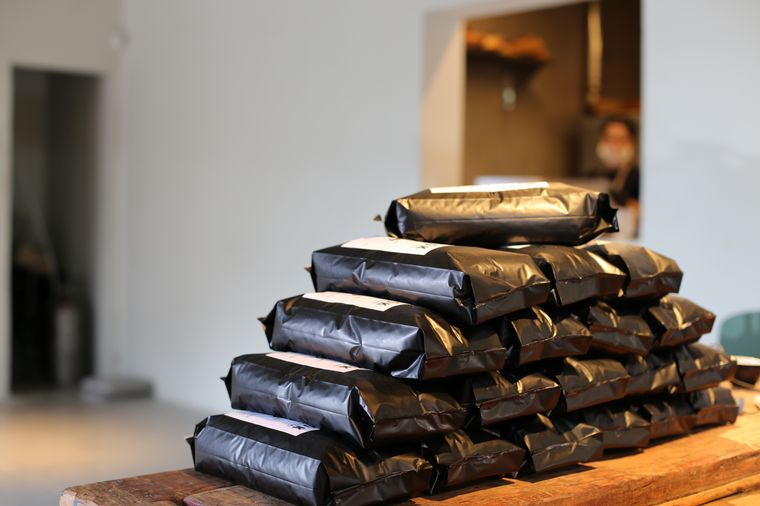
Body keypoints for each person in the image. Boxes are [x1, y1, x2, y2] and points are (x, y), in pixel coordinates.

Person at [592, 117, 640, 207]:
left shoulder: (642, 180)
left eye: (621, 139)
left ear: (632, 143)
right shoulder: (589, 178)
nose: (614, 145)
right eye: (609, 139)